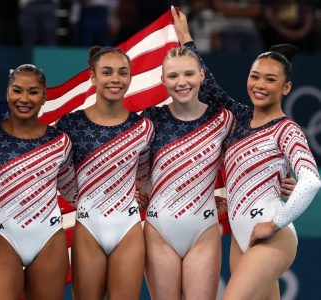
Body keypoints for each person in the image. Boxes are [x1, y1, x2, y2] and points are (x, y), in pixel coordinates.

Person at [172, 7, 321, 299]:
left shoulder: (286, 130)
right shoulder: (239, 118)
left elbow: (312, 181)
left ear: (286, 87)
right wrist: (186, 41)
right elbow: (209, 88)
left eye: (270, 79)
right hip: (243, 239)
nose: (260, 85)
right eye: (255, 76)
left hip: (271, 235)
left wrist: (275, 223)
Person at [57, 46, 154, 299]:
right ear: (93, 76)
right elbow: (59, 176)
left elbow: (145, 174)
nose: (115, 79)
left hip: (128, 227)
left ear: (130, 78)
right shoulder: (70, 124)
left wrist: (142, 195)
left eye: (123, 73)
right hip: (89, 226)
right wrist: (83, 202)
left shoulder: (142, 127)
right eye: (107, 72)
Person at [0, 64, 78, 300]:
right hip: (4, 236)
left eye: (33, 92)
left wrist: (124, 194)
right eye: (17, 90)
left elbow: (74, 192)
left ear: (44, 96)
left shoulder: (60, 141)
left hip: (48, 238)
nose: (24, 98)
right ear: (7, 93)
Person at [141, 45, 235, 299]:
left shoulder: (223, 119)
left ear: (202, 75)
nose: (181, 82)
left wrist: (282, 178)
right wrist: (140, 192)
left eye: (189, 74)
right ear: (162, 80)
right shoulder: (150, 119)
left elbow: (247, 160)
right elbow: (129, 167)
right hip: (159, 229)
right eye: (173, 76)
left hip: (203, 230)